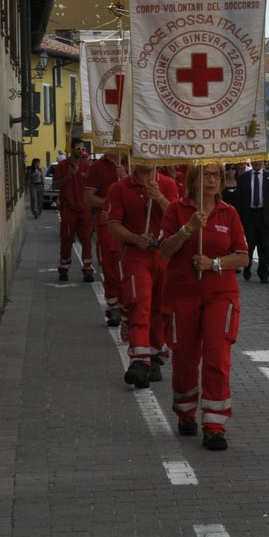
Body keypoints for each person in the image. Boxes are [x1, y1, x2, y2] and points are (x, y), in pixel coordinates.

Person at [158, 163, 248, 451]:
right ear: (194, 179)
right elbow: (163, 250)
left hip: (220, 294)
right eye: (206, 174)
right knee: (184, 358)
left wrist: (215, 264)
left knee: (216, 357)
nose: (212, 180)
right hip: (182, 294)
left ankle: (214, 424)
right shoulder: (176, 209)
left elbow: (243, 256)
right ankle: (185, 412)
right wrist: (188, 230)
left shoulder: (228, 213)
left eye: (217, 175)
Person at [105, 161, 177, 388]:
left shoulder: (168, 184)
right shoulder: (119, 188)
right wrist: (136, 238)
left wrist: (159, 198)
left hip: (163, 254)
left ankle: (154, 356)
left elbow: (178, 219)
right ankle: (139, 361)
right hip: (136, 255)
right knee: (139, 305)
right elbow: (113, 225)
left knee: (160, 309)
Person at [84, 150, 127, 328]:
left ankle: (128, 306)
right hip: (107, 225)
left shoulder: (133, 161)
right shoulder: (98, 167)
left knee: (128, 268)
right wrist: (111, 201)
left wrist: (126, 176)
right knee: (110, 268)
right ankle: (114, 306)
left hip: (130, 225)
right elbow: (88, 197)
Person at [49, 145, 93, 282]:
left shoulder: (87, 167)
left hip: (84, 209)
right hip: (69, 209)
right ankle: (64, 267)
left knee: (86, 239)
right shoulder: (63, 166)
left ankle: (87, 269)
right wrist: (68, 176)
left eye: (82, 148)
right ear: (72, 149)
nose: (80, 150)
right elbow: (54, 185)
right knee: (67, 239)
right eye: (77, 148)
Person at [235, 159, 269, 282]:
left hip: (265, 216)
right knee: (248, 246)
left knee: (265, 247)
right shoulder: (243, 177)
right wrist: (238, 218)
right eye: (254, 161)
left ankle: (263, 272)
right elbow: (239, 199)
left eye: (258, 161)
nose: (256, 163)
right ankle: (247, 267)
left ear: (262, 162)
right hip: (249, 216)